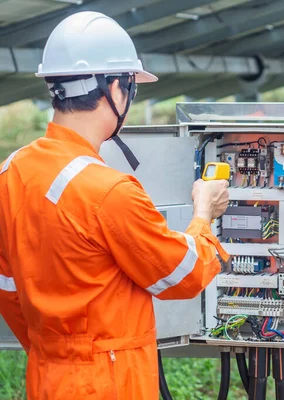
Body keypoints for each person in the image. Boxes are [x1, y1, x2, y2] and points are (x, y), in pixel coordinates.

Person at [0, 11, 229, 399]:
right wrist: (204, 213)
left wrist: (59, 352)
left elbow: (8, 290)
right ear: (116, 88)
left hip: (48, 378)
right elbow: (183, 273)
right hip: (110, 383)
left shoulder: (11, 171)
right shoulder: (108, 190)